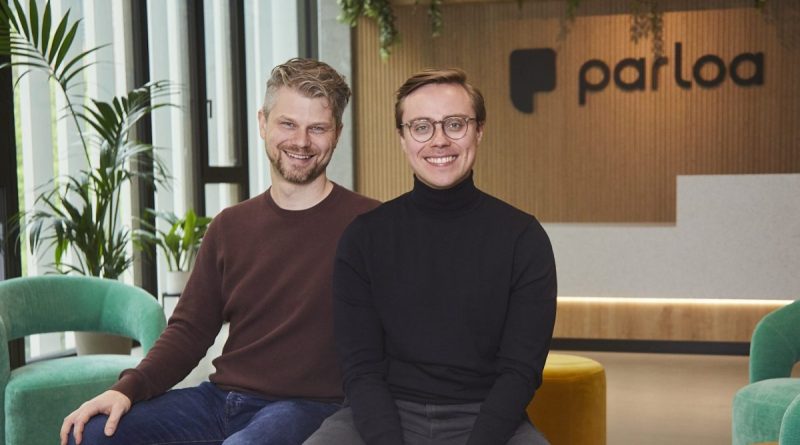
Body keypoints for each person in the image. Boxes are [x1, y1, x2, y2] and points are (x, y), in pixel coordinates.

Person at [60, 58, 379, 445]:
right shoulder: (230, 226)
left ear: (337, 134)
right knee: (92, 434)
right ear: (262, 123)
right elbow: (189, 332)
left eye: (317, 128)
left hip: (308, 408)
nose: (301, 142)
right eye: (288, 124)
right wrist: (125, 390)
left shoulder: (371, 226)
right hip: (220, 400)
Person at [304, 68, 558, 445]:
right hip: (383, 414)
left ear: (479, 130)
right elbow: (361, 368)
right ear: (403, 138)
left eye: (455, 124)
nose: (439, 140)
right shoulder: (365, 237)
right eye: (421, 127)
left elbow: (520, 371)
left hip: (487, 418)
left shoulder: (523, 238)